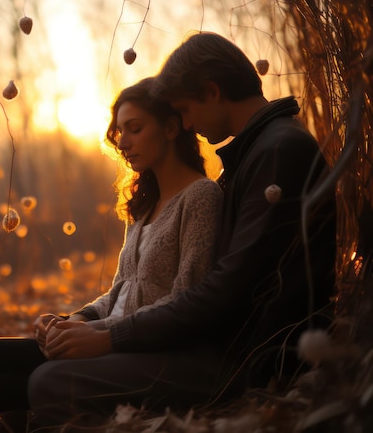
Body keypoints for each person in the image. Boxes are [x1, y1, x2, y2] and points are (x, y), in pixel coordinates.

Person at [27, 32, 336, 430]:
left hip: (248, 361)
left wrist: (110, 338)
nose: (186, 123)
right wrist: (82, 321)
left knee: (49, 381)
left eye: (185, 110)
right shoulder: (255, 153)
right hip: (219, 346)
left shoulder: (278, 151)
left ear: (212, 92)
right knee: (17, 364)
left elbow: (226, 289)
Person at [0, 77, 223, 433]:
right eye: (119, 131)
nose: (124, 142)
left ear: (169, 128)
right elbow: (120, 291)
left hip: (143, 349)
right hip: (107, 336)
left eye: (134, 129)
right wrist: (76, 318)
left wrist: (99, 334)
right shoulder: (144, 207)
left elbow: (185, 302)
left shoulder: (200, 197)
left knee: (2, 379)